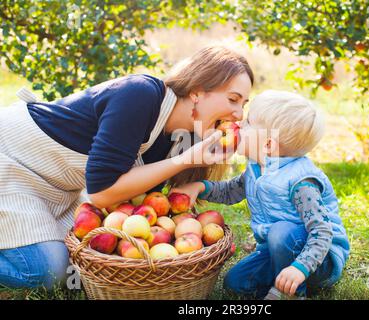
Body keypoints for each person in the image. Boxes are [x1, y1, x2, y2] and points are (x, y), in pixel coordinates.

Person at [0, 46, 253, 289]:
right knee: (49, 271)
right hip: (13, 163)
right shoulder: (140, 95)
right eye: (233, 99)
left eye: (244, 104)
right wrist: (185, 160)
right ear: (197, 92)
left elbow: (134, 199)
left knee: (79, 267)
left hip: (58, 188)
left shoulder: (178, 139)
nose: (239, 114)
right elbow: (102, 192)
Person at [171, 90, 350, 299]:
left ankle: (291, 292)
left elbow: (322, 232)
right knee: (235, 283)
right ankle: (279, 278)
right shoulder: (257, 168)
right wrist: (201, 187)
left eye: (248, 123)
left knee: (280, 232)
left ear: (267, 145)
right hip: (276, 250)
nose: (238, 125)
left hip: (319, 259)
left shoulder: (301, 182)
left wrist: (299, 268)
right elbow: (231, 191)